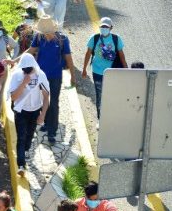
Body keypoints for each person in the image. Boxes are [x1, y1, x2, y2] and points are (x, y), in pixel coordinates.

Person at [26, 15, 74, 145]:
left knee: (53, 103)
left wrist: (73, 77)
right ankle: (47, 123)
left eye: (47, 32)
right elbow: (31, 51)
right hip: (40, 76)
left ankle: (52, 132)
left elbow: (68, 58)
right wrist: (15, 61)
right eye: (44, 32)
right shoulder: (39, 37)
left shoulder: (63, 39)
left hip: (55, 77)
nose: (46, 35)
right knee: (42, 100)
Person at [8, 53, 50, 175]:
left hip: (35, 111)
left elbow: (46, 97)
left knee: (29, 135)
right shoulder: (16, 76)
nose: (26, 71)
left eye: (29, 69)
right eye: (24, 69)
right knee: (21, 137)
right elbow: (13, 97)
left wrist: (43, 115)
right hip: (21, 111)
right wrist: (23, 83)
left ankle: (25, 150)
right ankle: (21, 164)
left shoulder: (40, 76)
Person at [81, 17, 127, 119]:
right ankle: (100, 119)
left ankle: (111, 117)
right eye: (102, 27)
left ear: (111, 28)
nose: (104, 28)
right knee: (100, 95)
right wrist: (84, 69)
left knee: (111, 94)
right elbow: (88, 53)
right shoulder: (94, 38)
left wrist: (126, 70)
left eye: (106, 27)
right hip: (97, 72)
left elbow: (121, 55)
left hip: (112, 72)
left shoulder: (116, 39)